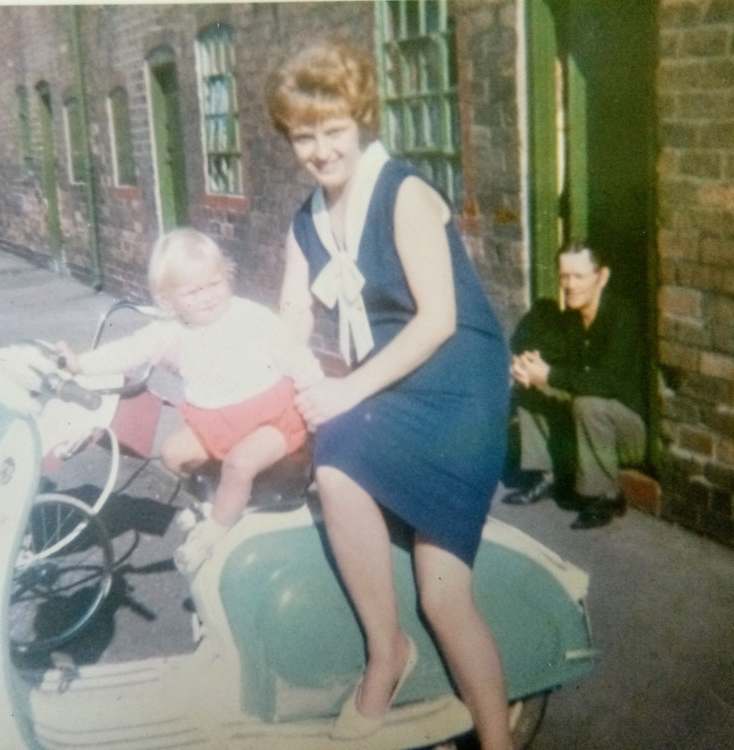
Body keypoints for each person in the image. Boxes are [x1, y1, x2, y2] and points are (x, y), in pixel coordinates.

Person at [267, 39, 513, 748]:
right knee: (342, 468)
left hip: (457, 382)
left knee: (437, 584)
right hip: (391, 384)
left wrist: (342, 394)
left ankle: (497, 740)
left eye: (334, 130)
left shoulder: (402, 193)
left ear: (361, 120)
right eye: (304, 137)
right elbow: (291, 316)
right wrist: (288, 372)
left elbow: (437, 320)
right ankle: (388, 651)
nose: (320, 151)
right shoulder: (305, 221)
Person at [57, 228, 322, 575]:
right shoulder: (172, 328)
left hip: (272, 418)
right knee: (172, 453)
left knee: (239, 465)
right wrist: (81, 364)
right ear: (169, 301)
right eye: (193, 292)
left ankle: (212, 534)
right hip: (218, 422)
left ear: (226, 277)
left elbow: (294, 353)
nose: (207, 297)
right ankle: (216, 504)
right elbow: (131, 349)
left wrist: (317, 392)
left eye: (214, 284)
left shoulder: (250, 317)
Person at [503, 240, 647, 530]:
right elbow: (539, 349)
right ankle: (548, 475)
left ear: (602, 277)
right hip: (592, 428)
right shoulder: (571, 318)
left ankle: (606, 495)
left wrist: (549, 375)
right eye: (564, 276)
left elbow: (608, 382)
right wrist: (528, 364)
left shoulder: (623, 316)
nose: (569, 285)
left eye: (579, 276)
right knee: (531, 381)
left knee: (588, 402)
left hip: (629, 433)